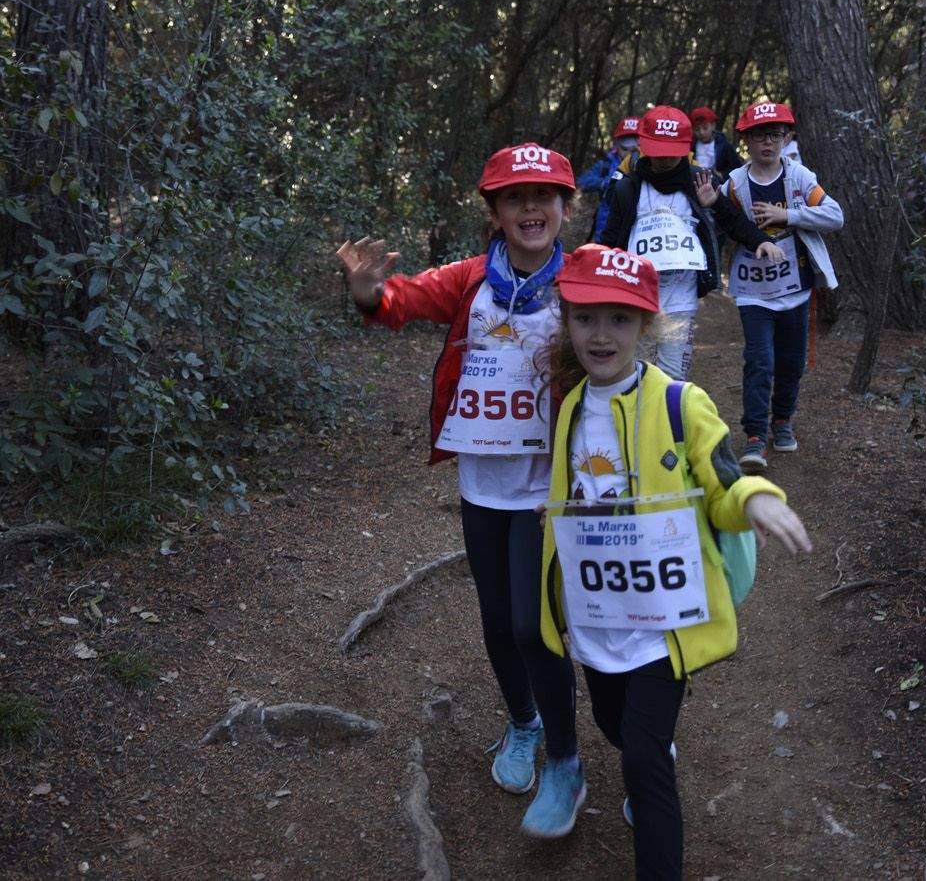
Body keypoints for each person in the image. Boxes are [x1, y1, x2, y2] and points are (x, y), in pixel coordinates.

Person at [536, 243, 814, 880]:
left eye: (619, 319)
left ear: (647, 325)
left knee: (641, 759)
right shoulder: (572, 407)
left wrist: (755, 500)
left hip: (666, 620)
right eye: (585, 318)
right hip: (599, 615)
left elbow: (721, 486)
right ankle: (648, 750)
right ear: (567, 320)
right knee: (614, 723)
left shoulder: (680, 403)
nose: (600, 335)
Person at [334, 143, 585, 838]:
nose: (530, 209)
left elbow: (628, 338)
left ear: (567, 207)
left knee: (538, 628)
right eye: (514, 198)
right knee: (498, 620)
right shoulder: (474, 278)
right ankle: (523, 724)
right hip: (484, 484)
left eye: (544, 196)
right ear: (496, 213)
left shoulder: (581, 281)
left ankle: (567, 761)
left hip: (547, 489)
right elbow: (404, 297)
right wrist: (369, 294)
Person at [596, 105, 778, 379]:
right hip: (635, 296)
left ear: (686, 147)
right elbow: (611, 238)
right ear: (645, 147)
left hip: (680, 297)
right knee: (632, 373)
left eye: (672, 151)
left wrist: (759, 240)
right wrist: (597, 278)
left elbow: (732, 218)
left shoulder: (700, 181)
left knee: (671, 378)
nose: (665, 158)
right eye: (658, 151)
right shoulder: (629, 187)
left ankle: (668, 421)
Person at [721, 100, 844, 470]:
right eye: (759, 135)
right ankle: (755, 435)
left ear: (786, 137)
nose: (767, 143)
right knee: (760, 361)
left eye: (774, 135)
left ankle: (783, 421)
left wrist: (787, 214)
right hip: (752, 290)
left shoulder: (799, 177)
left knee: (792, 362)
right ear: (747, 141)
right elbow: (722, 219)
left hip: (796, 286)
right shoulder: (735, 183)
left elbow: (834, 215)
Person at [578, 115, 642, 242]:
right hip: (605, 230)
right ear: (617, 144)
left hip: (635, 232)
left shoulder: (650, 164)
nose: (629, 152)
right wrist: (605, 182)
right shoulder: (606, 164)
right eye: (625, 147)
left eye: (634, 147)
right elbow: (582, 182)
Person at [688, 106, 742, 182]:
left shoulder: (723, 145)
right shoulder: (691, 145)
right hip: (695, 181)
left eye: (705, 128)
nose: (701, 133)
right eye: (697, 129)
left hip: (717, 183)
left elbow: (737, 168)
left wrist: (722, 174)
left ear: (713, 126)